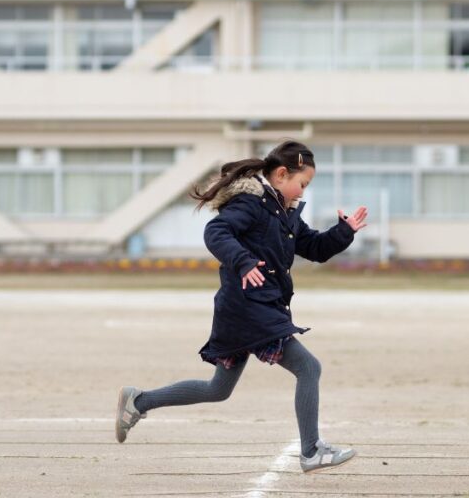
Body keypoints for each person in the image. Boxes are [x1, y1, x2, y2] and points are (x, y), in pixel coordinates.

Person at [115, 140, 369, 473]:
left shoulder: (286, 212)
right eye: (302, 183)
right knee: (309, 368)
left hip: (255, 308)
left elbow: (315, 248)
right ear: (281, 175)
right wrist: (244, 261)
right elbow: (216, 231)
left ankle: (140, 400)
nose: (302, 191)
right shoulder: (251, 204)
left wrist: (344, 232)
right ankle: (311, 451)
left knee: (218, 389)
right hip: (249, 307)